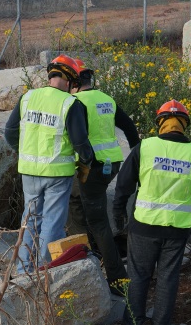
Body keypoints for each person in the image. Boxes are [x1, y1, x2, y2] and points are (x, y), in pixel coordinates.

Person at [113, 100, 191, 325]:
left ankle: (133, 320)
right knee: (168, 279)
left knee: (139, 276)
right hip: (177, 229)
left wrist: (118, 210)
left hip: (143, 226)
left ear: (161, 122)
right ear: (183, 124)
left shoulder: (146, 147)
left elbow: (124, 183)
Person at [4, 55, 95, 273]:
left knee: (30, 219)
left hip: (29, 172)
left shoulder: (28, 97)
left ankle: (23, 269)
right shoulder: (69, 103)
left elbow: (9, 132)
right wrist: (86, 161)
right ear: (70, 80)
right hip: (57, 174)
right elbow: (80, 141)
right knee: (52, 222)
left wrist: (23, 152)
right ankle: (44, 270)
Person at [67, 58, 140, 292]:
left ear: (74, 82)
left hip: (90, 168)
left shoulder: (75, 102)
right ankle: (90, 258)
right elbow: (130, 130)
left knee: (96, 220)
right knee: (77, 204)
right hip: (111, 165)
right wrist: (137, 163)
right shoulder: (106, 100)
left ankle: (114, 278)